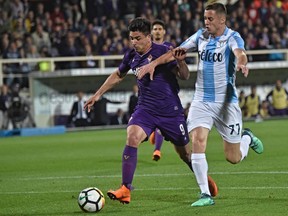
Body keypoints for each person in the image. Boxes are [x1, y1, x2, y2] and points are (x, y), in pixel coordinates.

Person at [137, 3, 264, 207]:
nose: (206, 22)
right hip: (202, 100)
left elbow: (240, 52)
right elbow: (175, 51)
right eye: (205, 18)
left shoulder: (233, 37)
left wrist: (242, 62)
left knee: (233, 157)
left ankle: (246, 138)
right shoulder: (201, 36)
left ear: (222, 20)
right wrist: (153, 63)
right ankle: (205, 194)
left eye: (210, 19)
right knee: (197, 141)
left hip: (226, 103)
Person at [84, 17, 218, 205]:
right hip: (145, 109)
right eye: (131, 38)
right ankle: (125, 188)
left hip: (170, 112)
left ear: (148, 37)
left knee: (185, 154)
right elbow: (118, 75)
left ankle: (205, 179)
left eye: (138, 38)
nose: (134, 42)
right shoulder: (131, 56)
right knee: (132, 136)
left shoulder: (164, 51)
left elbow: (185, 76)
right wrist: (97, 95)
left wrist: (180, 62)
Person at [148, 19, 175, 161]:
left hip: (165, 90)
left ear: (164, 32)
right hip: (149, 91)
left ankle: (157, 150)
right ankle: (153, 132)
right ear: (151, 32)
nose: (157, 31)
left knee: (161, 122)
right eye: (155, 29)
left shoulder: (169, 47)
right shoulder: (146, 48)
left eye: (160, 29)